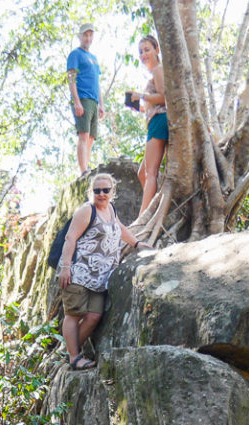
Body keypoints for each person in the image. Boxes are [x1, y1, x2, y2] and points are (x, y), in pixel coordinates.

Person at [57, 173, 147, 371]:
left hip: (101, 278)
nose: (101, 194)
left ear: (112, 192)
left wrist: (137, 243)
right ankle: (74, 357)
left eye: (106, 190)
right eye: (97, 191)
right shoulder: (86, 211)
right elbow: (70, 239)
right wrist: (65, 268)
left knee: (94, 316)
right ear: (92, 192)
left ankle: (71, 350)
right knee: (73, 314)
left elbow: (119, 227)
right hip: (78, 273)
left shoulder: (110, 209)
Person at [129, 35, 168, 213]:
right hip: (154, 120)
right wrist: (140, 106)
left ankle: (143, 216)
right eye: (141, 51)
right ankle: (153, 208)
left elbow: (164, 97)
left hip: (160, 122)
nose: (143, 54)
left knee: (150, 172)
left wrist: (141, 95)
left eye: (147, 49)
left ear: (156, 50)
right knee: (142, 173)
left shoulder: (159, 70)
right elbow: (155, 102)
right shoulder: (154, 73)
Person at [67, 22, 105, 177]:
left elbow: (98, 82)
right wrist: (76, 101)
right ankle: (83, 170)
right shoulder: (75, 54)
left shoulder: (94, 58)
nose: (88, 38)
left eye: (90, 35)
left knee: (91, 137)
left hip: (94, 100)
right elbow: (71, 78)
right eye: (85, 35)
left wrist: (101, 104)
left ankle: (87, 167)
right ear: (80, 36)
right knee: (83, 134)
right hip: (82, 98)